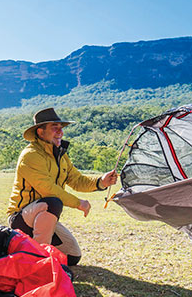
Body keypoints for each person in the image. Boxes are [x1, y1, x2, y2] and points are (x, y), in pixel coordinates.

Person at [6, 107, 118, 266]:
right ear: (40, 132)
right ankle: (37, 261)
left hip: (44, 215)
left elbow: (77, 180)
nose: (60, 132)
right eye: (54, 128)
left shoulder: (60, 154)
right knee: (53, 202)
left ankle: (24, 249)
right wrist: (79, 203)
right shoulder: (30, 155)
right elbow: (49, 190)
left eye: (61, 128)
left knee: (72, 256)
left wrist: (101, 181)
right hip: (21, 218)